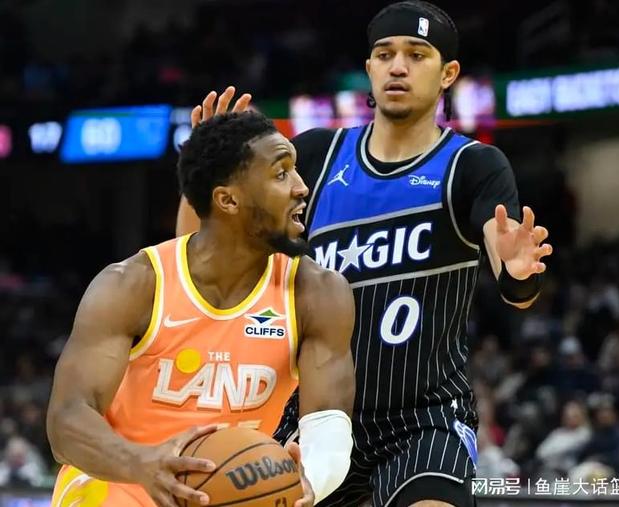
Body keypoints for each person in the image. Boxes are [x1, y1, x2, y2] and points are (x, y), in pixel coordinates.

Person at [178, 2, 553, 505]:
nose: (398, 66)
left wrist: (519, 272)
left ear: (448, 73)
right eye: (385, 54)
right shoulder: (314, 156)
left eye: (417, 55)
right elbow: (200, 257)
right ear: (370, 67)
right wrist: (203, 177)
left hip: (423, 417)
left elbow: (518, 289)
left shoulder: (473, 165)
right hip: (313, 414)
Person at [47, 112, 356, 507]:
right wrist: (141, 463)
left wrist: (309, 480)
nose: (301, 187)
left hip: (232, 489)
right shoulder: (134, 285)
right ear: (228, 200)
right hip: (119, 481)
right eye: (281, 174)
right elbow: (67, 420)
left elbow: (328, 421)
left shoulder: (317, 293)